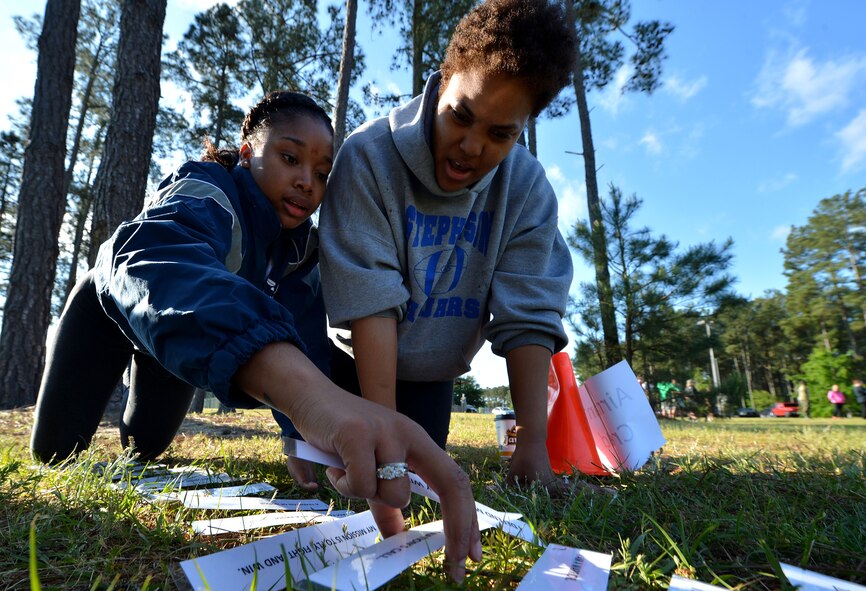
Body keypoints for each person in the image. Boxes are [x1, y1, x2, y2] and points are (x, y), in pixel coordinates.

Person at [29, 91, 481, 580]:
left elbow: (305, 336)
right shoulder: (205, 191)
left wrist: (296, 434)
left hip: (178, 352)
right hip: (107, 312)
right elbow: (158, 256)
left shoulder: (302, 251)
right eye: (289, 158)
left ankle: (144, 391)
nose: (306, 182)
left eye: (323, 172)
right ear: (247, 151)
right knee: (55, 456)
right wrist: (310, 401)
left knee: (144, 448)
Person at [310, 0, 586, 532]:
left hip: (432, 371)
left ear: (523, 128)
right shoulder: (368, 156)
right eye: (461, 115)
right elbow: (370, 300)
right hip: (345, 365)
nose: (471, 146)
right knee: (355, 476)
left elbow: (528, 314)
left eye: (500, 134)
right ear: (443, 79)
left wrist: (531, 446)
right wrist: (383, 443)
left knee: (424, 457)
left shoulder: (527, 190)